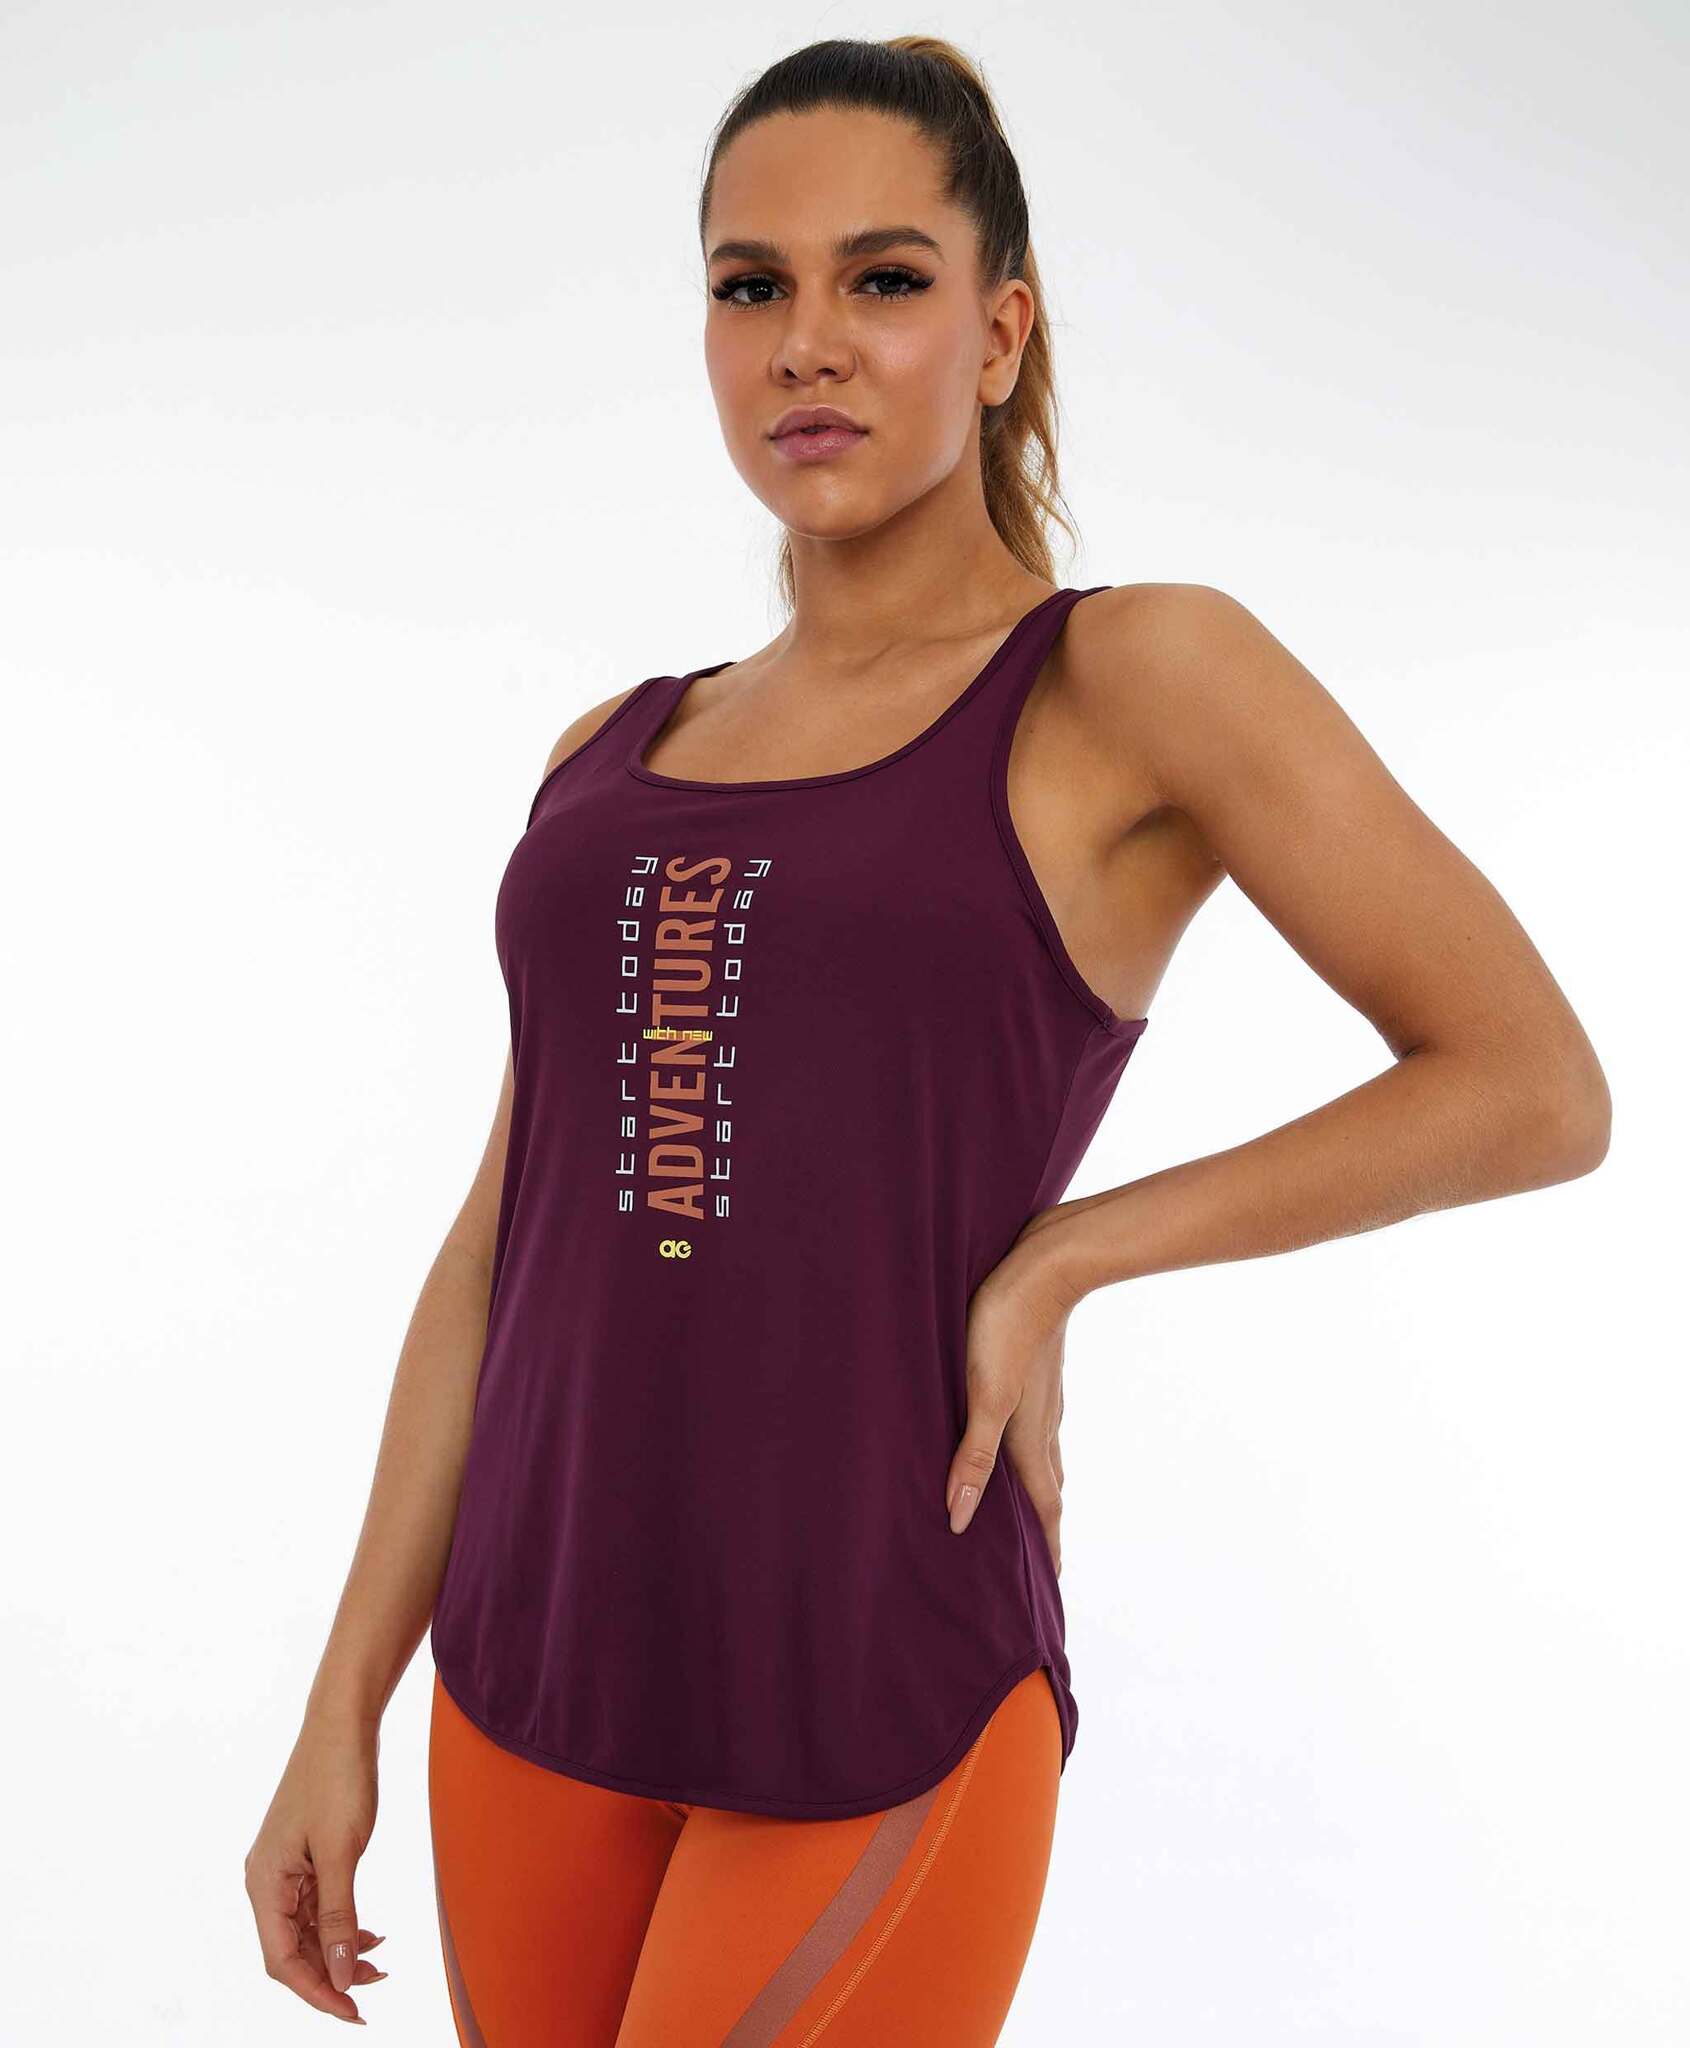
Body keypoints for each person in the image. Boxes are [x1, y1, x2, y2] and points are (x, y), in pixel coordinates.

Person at [243, 33, 1611, 2045]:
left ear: (997, 331)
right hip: (528, 1671)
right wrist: (339, 1700)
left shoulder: (1125, 679)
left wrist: (1068, 1254)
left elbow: (1527, 1082)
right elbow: (494, 1253)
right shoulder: (607, 754)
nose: (806, 341)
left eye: (880, 279)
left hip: (876, 1668)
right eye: (750, 286)